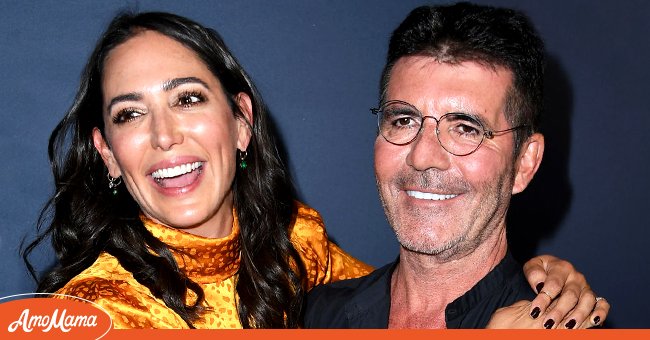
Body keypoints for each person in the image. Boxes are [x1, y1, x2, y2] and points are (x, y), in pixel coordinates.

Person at [23, 10, 603, 329]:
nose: (164, 135)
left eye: (466, 127)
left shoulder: (301, 260)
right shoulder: (88, 313)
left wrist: (540, 277)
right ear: (106, 153)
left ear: (242, 121)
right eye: (129, 114)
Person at [304, 2, 609, 329]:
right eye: (405, 120)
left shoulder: (562, 327)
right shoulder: (316, 314)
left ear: (524, 162)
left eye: (466, 128)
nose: (422, 157)